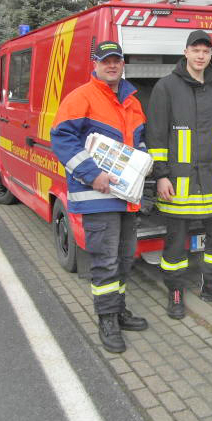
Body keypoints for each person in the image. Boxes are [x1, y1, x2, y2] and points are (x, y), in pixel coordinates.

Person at [50, 41, 148, 354]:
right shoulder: (81, 97)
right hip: (98, 195)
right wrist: (93, 174)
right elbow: (62, 140)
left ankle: (118, 310)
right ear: (95, 64)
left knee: (123, 259)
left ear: (123, 64)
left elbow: (138, 142)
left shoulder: (131, 101)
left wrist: (142, 163)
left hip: (126, 197)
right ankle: (106, 319)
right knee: (105, 262)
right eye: (106, 61)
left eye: (116, 60)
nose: (111, 65)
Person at [146, 30, 212, 319]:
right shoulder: (166, 87)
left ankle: (211, 284)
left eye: (206, 51)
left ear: (210, 55)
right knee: (175, 243)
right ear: (185, 52)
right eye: (196, 49)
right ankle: (175, 291)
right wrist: (161, 176)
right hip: (179, 183)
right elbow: (156, 136)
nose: (201, 55)